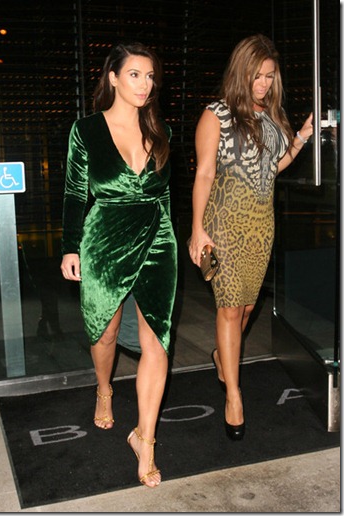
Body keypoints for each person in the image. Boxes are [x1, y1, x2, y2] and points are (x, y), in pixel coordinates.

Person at [60, 42, 177, 487]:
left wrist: (177, 238)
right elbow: (75, 192)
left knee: (157, 342)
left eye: (150, 76)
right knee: (105, 331)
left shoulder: (161, 129)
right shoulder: (86, 130)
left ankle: (145, 440)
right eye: (134, 74)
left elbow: (165, 194)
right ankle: (105, 388)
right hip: (105, 237)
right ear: (113, 78)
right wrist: (70, 247)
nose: (145, 84)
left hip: (157, 237)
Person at [188, 34, 313, 441]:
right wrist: (197, 229)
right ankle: (234, 396)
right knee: (229, 309)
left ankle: (220, 355)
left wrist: (301, 138)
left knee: (245, 310)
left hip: (261, 226)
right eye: (256, 75)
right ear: (240, 72)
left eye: (269, 76)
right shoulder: (217, 115)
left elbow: (272, 168)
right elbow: (204, 174)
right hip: (223, 225)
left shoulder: (273, 116)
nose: (262, 83)